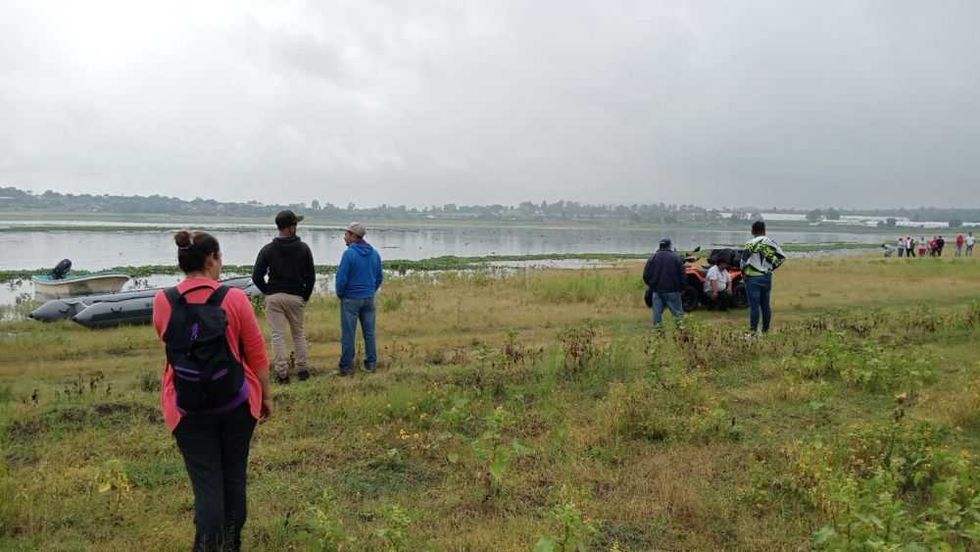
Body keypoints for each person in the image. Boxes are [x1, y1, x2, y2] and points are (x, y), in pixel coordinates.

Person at [153, 230, 271, 552]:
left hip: (186, 405)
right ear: (212, 259)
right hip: (236, 403)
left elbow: (167, 341)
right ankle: (230, 544)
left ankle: (207, 544)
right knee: (233, 477)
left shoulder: (163, 301)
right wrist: (267, 397)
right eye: (220, 257)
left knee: (207, 484)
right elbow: (256, 354)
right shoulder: (235, 298)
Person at [252, 210, 316, 383]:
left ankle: (282, 374)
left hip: (274, 296)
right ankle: (303, 370)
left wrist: (268, 291)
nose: (296, 227)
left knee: (278, 335)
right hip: (296, 296)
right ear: (290, 228)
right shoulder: (304, 249)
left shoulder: (268, 249)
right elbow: (310, 276)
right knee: (298, 334)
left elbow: (256, 276)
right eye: (295, 224)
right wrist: (305, 296)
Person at [336, 222, 383, 375]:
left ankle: (346, 366)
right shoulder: (374, 253)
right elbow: (379, 277)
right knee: (369, 333)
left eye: (346, 234)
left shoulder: (349, 254)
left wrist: (340, 293)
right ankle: (371, 364)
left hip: (351, 298)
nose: (344, 237)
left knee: (348, 334)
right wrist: (370, 290)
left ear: (354, 236)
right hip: (368, 298)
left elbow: (341, 279)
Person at [741, 221, 786, 334]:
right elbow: (782, 257)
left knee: (754, 306)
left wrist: (743, 273)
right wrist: (772, 268)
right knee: (765, 305)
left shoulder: (751, 243)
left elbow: (743, 261)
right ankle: (766, 330)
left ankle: (753, 331)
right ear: (764, 230)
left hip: (753, 278)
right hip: (767, 277)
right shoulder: (771, 242)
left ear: (753, 231)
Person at [642, 238, 685, 328]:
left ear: (660, 246)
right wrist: (682, 287)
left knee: (657, 313)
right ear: (669, 246)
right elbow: (682, 274)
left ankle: (659, 332)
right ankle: (681, 331)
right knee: (678, 313)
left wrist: (651, 285)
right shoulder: (675, 257)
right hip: (673, 290)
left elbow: (646, 275)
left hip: (657, 290)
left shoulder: (653, 258)